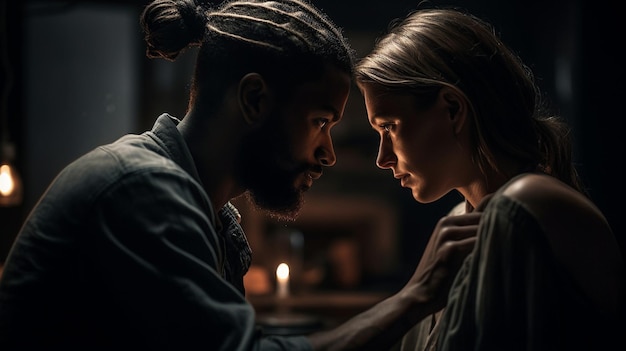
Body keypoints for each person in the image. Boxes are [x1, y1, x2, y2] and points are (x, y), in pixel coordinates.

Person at [0, 1, 484, 350]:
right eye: (320, 122)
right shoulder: (141, 189)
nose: (328, 154)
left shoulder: (212, 216)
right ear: (254, 100)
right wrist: (417, 297)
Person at [354, 7, 626, 351]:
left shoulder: (523, 206)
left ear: (452, 109)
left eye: (389, 127)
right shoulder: (458, 222)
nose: (383, 158)